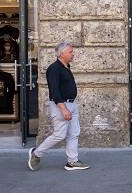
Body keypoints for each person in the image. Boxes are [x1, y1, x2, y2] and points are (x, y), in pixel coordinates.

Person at [28, 42, 90, 171]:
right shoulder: (54, 68)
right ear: (62, 54)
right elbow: (54, 91)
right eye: (70, 52)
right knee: (59, 135)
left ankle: (72, 162)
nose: (73, 54)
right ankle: (36, 153)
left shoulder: (66, 66)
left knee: (74, 133)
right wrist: (63, 109)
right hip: (61, 105)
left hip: (71, 104)